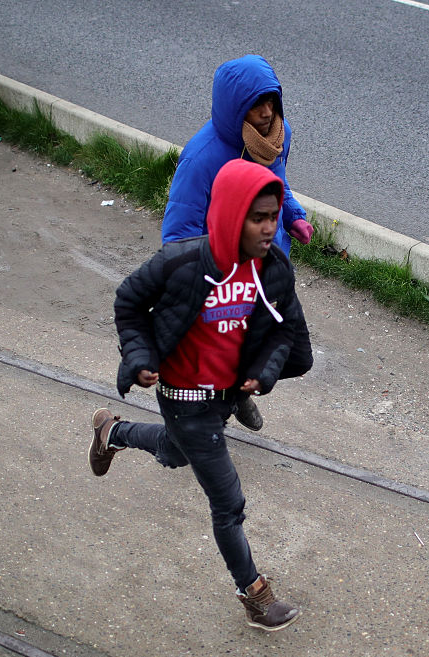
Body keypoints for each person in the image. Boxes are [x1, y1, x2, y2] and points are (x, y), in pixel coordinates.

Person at [89, 159, 313, 631]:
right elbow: (128, 301)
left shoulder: (271, 270)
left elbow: (283, 333)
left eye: (274, 216)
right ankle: (253, 595)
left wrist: (263, 372)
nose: (270, 227)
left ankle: (112, 432)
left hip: (224, 398)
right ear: (232, 215)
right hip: (183, 397)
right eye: (259, 218)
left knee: (174, 453)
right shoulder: (181, 261)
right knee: (228, 503)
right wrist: (140, 356)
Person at [161, 54, 314, 431]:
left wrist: (292, 214)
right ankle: (217, 404)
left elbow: (279, 183)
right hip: (226, 280)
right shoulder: (202, 158)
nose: (266, 112)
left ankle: (233, 393)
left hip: (271, 269)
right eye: (256, 104)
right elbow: (178, 232)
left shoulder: (278, 136)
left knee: (297, 357)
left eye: (272, 101)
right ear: (235, 108)